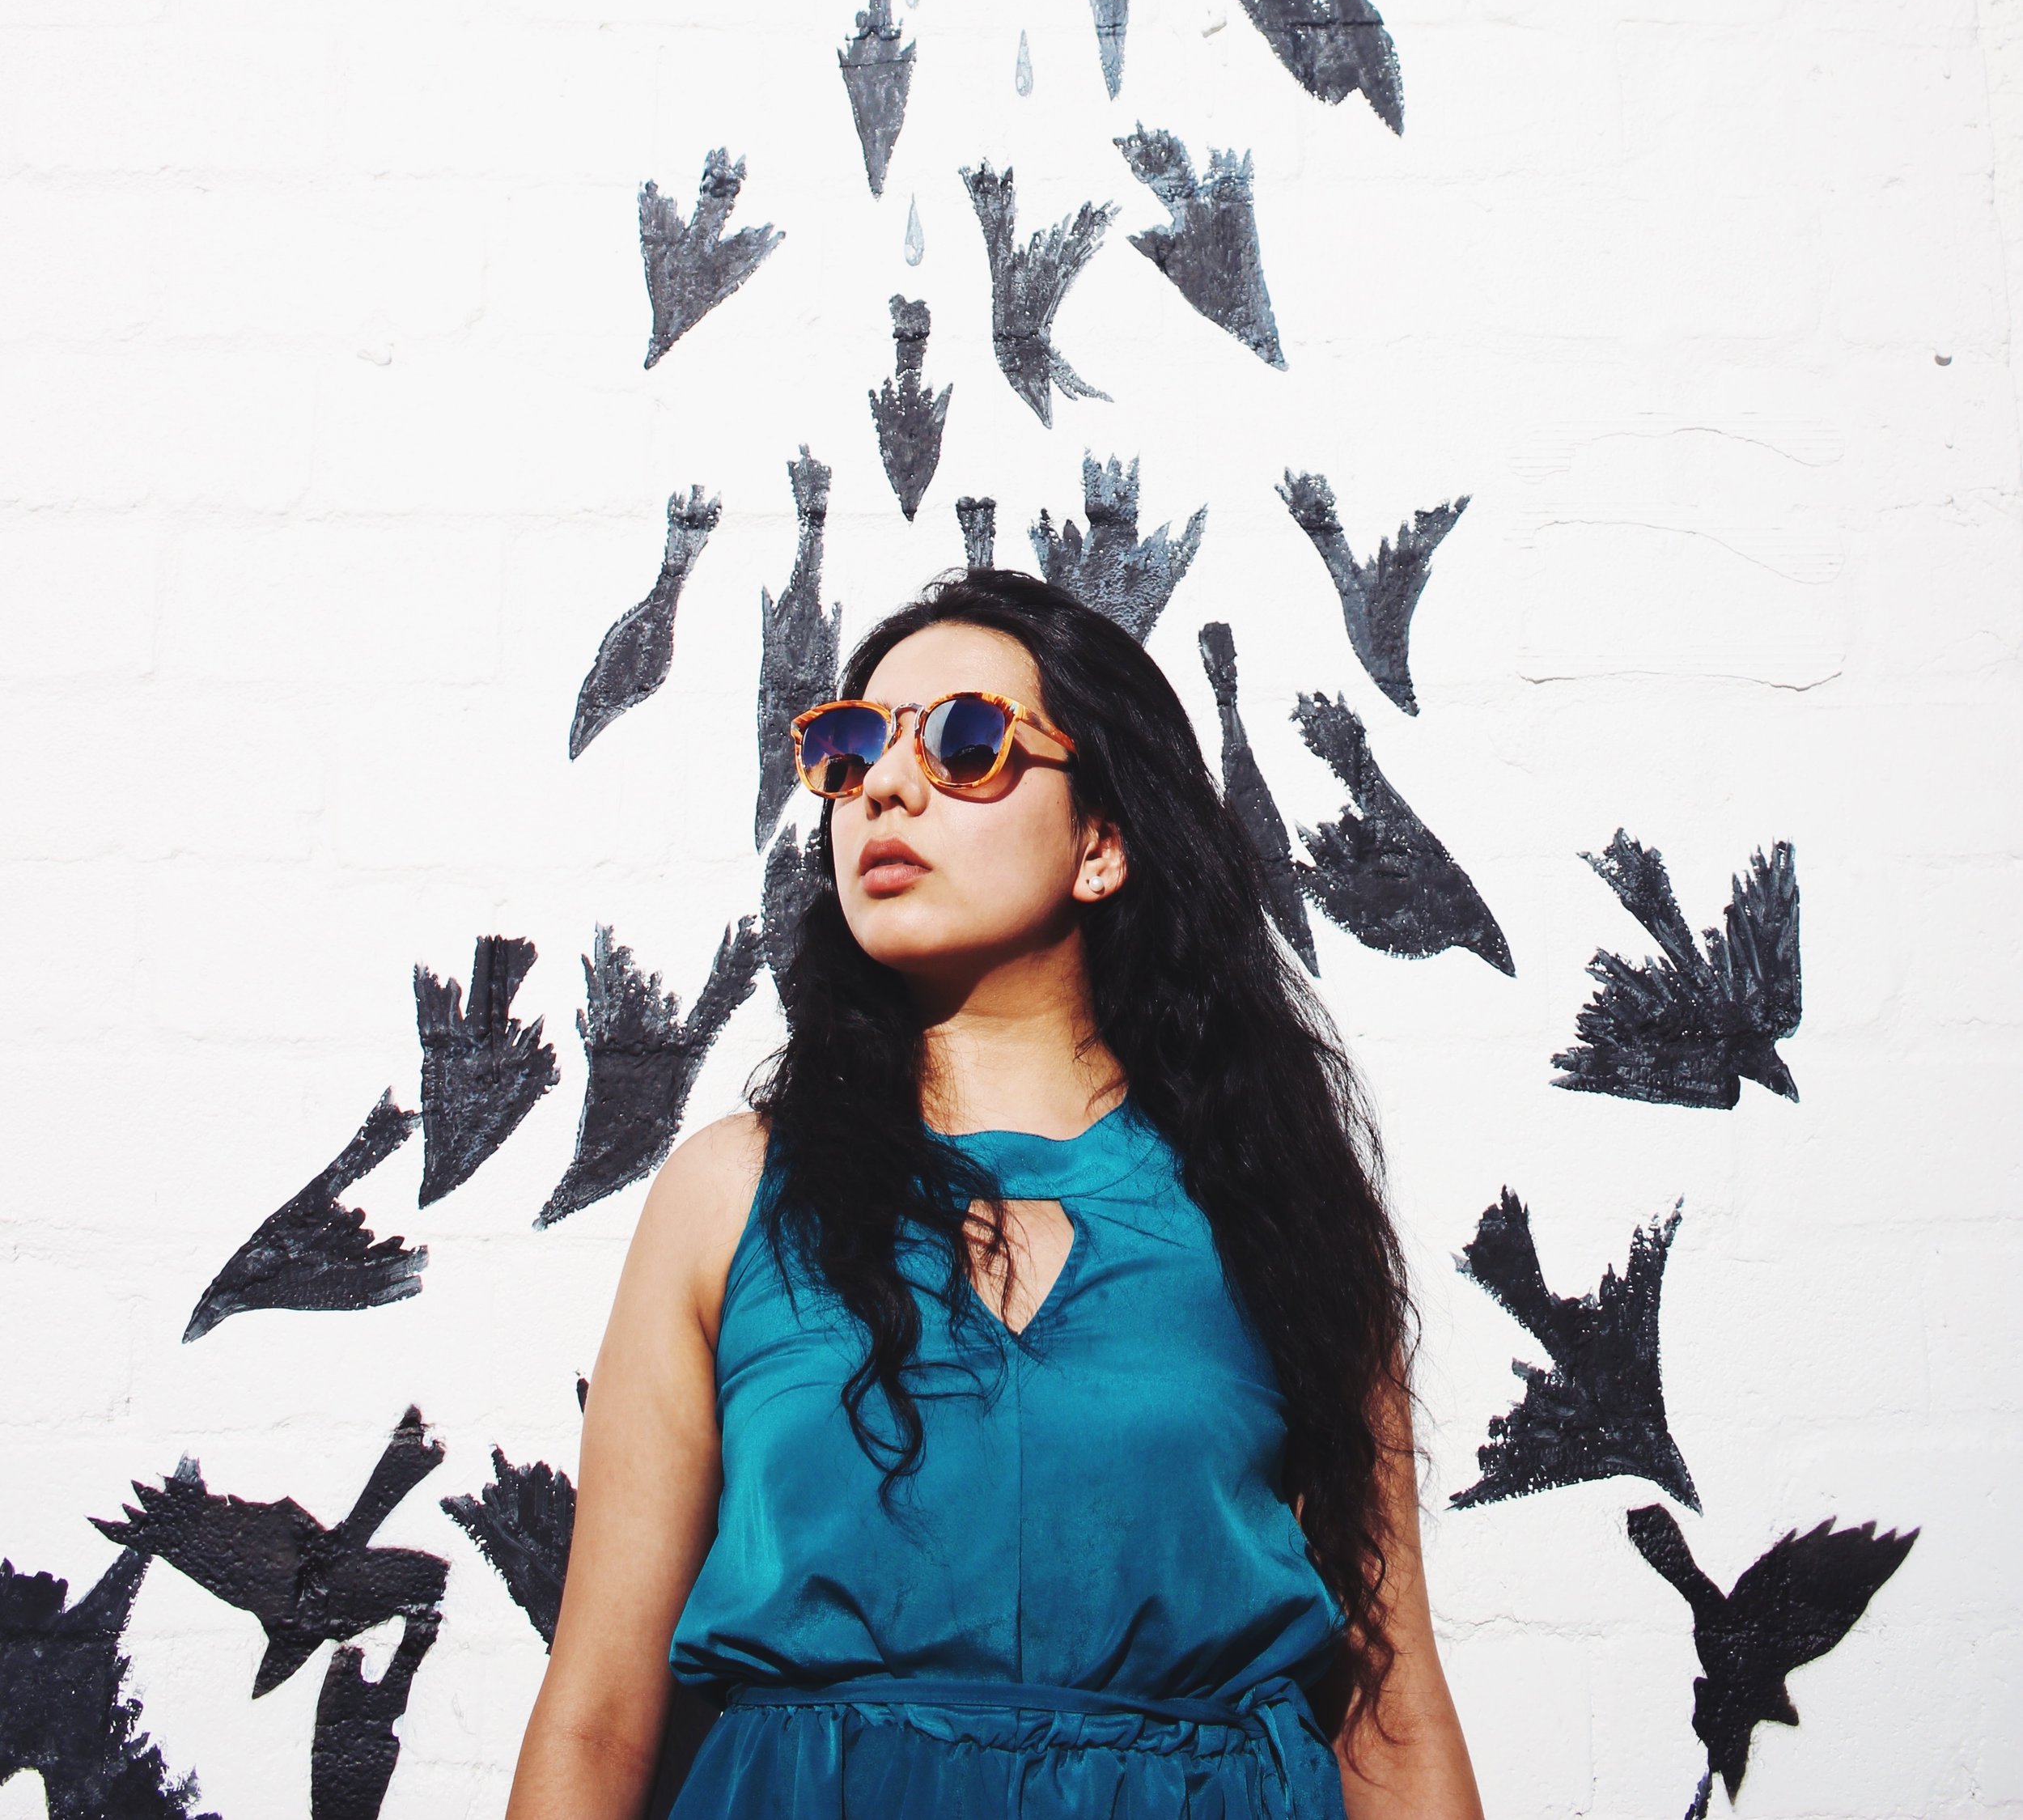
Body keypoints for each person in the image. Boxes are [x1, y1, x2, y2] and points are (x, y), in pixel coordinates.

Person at [505, 570, 1483, 1820]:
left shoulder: (1278, 1208)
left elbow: (1390, 1718)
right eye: (851, 750)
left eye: (967, 743)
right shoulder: (730, 1194)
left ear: (1102, 843)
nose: (887, 788)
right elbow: (594, 1714)